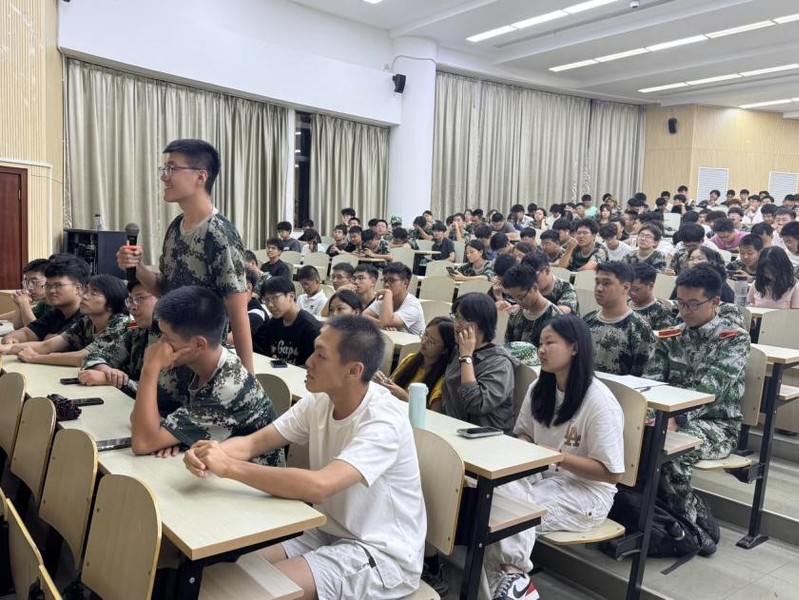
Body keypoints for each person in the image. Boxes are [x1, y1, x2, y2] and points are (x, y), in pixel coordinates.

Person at [183, 316, 426, 599]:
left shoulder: (384, 420)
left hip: (381, 552)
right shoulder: (321, 399)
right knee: (230, 569)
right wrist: (208, 453)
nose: (308, 361)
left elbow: (318, 486)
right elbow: (253, 443)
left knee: (252, 591)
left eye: (321, 355)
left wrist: (228, 467)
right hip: (325, 530)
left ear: (353, 370)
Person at [483, 314, 625, 600]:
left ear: (574, 347)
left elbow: (611, 473)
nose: (541, 350)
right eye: (540, 344)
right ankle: (512, 582)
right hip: (545, 475)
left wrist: (557, 458)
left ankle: (513, 578)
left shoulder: (599, 401)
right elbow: (524, 434)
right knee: (490, 493)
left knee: (511, 511)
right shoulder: (539, 388)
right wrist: (528, 450)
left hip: (586, 492)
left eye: (550, 343)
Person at [116, 139, 254, 372]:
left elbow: (238, 313)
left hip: (201, 367)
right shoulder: (175, 227)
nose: (164, 177)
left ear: (201, 176)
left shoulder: (219, 234)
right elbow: (166, 289)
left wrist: (248, 378)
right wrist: (137, 268)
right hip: (170, 359)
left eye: (172, 168)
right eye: (164, 169)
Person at [643, 266, 749, 554]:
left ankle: (692, 527)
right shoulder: (670, 336)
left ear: (714, 302)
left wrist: (676, 418)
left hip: (718, 426)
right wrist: (651, 416)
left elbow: (712, 389)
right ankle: (666, 518)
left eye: (693, 304)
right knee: (640, 439)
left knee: (671, 449)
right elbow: (651, 382)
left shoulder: (734, 339)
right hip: (671, 419)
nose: (685, 311)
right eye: (680, 303)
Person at [131, 286, 283, 463]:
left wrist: (149, 368)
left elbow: (142, 443)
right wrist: (174, 435)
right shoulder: (188, 362)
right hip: (208, 466)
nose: (159, 345)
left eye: (167, 338)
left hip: (249, 476)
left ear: (199, 344)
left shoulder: (228, 387)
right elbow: (138, 419)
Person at [1, 274, 130, 367]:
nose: (84, 297)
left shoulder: (120, 323)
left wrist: (35, 358)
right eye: (86, 291)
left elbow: (82, 357)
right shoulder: (86, 321)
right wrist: (8, 348)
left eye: (94, 293)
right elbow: (47, 346)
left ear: (112, 301)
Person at [442, 293, 517, 433]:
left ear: (483, 324)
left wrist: (466, 357)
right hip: (454, 429)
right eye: (456, 317)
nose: (457, 325)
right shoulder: (458, 350)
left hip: (486, 437)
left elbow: (476, 404)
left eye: (464, 319)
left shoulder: (500, 363)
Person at [79, 280, 159, 391]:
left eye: (140, 299)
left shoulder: (174, 338)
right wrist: (107, 371)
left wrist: (110, 380)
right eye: (130, 301)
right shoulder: (137, 333)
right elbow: (93, 356)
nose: (133, 307)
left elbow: (162, 394)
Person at [583, 262, 654, 376]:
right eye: (597, 282)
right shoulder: (587, 321)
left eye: (606, 283)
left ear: (626, 287)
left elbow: (642, 377)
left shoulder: (639, 328)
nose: (599, 288)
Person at [375, 316, 456, 412]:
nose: (424, 341)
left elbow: (434, 415)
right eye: (425, 334)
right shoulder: (410, 359)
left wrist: (405, 398)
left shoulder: (443, 379)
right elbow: (391, 387)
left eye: (432, 341)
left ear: (444, 350)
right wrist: (382, 381)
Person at [1, 256, 88, 344]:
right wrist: (9, 339)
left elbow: (49, 345)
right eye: (48, 285)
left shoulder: (86, 316)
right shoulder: (57, 312)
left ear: (78, 288)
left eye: (58, 285)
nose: (51, 290)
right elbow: (27, 332)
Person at [254, 277, 322, 366]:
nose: (270, 304)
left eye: (275, 298)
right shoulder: (274, 322)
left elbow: (311, 366)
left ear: (291, 296)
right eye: (266, 299)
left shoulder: (311, 329)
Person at [501, 264, 562, 348]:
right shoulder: (515, 314)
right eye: (513, 298)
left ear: (534, 287)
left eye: (521, 297)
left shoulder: (555, 317)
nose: (518, 302)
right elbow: (508, 346)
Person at [363, 262, 425, 335]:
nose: (386, 284)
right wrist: (380, 324)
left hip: (413, 342)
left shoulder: (413, 306)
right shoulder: (385, 298)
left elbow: (387, 322)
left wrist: (388, 293)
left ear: (405, 283)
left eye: (391, 280)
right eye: (385, 280)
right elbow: (363, 316)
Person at [0, 258, 50, 329]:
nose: (29, 288)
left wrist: (24, 303)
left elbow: (35, 332)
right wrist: (19, 305)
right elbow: (18, 327)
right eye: (27, 282)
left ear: (50, 281)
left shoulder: (58, 306)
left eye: (33, 282)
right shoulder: (43, 304)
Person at [629, 263, 676, 331]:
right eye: (628, 288)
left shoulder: (661, 313)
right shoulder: (624, 304)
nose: (631, 293)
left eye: (636, 289)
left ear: (651, 286)